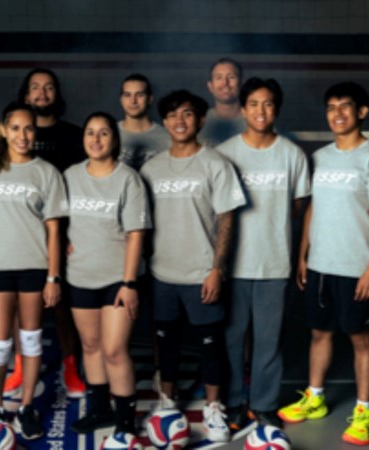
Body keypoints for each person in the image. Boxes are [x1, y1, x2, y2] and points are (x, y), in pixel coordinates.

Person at [277, 82, 369, 446]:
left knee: (360, 339)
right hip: (320, 265)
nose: (337, 114)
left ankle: (364, 412)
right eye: (331, 107)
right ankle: (315, 398)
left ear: (362, 111)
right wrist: (303, 253)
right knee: (319, 333)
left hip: (356, 266)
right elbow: (313, 207)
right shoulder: (321, 157)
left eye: (345, 106)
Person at [140, 90, 246, 443]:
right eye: (172, 115)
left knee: (210, 345)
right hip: (162, 273)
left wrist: (217, 269)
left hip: (202, 273)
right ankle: (167, 401)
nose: (179, 120)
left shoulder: (216, 164)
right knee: (166, 344)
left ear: (200, 120)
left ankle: (214, 407)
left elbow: (227, 219)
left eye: (187, 113)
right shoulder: (151, 168)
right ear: (164, 122)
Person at [0, 102, 67, 440]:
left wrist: (53, 277)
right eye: (16, 128)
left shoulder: (46, 172)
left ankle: (26, 407)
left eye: (29, 128)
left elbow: (54, 230)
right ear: (4, 130)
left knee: (31, 341)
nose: (23, 135)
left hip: (34, 267)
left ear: (36, 131)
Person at [216, 78, 310, 435]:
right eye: (253, 104)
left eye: (268, 104)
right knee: (232, 339)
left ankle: (264, 405)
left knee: (269, 341)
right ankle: (233, 402)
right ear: (243, 109)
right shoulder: (225, 153)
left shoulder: (292, 154)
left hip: (274, 261)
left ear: (277, 109)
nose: (261, 111)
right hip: (233, 265)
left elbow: (299, 205)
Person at [65, 112, 151, 437]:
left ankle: (126, 422)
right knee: (91, 346)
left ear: (114, 139)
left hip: (117, 277)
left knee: (114, 349)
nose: (96, 139)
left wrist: (129, 283)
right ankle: (99, 410)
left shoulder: (128, 179)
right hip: (80, 274)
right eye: (90, 132)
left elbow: (135, 234)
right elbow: (55, 220)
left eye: (103, 133)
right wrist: (59, 243)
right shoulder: (70, 176)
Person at [8, 68, 85, 398]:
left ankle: (71, 364)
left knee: (63, 304)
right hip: (22, 233)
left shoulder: (74, 135)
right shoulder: (12, 137)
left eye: (49, 87)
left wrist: (74, 234)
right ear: (25, 95)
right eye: (35, 88)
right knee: (18, 304)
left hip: (61, 233)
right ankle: (20, 364)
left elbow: (84, 188)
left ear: (57, 94)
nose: (42, 93)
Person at [117, 73, 170, 169]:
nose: (133, 101)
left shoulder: (167, 137)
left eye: (140, 95)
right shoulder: (109, 133)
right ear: (121, 99)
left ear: (150, 99)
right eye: (127, 95)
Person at [198, 57, 246, 148]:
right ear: (210, 86)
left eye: (231, 77)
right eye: (219, 78)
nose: (225, 83)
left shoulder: (256, 121)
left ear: (241, 84)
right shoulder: (197, 122)